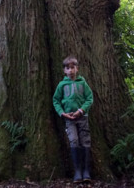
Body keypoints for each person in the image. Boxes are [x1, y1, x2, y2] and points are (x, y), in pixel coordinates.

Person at [52, 55, 93, 183]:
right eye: (67, 68)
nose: (70, 70)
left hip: (82, 117)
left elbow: (89, 98)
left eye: (72, 67)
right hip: (69, 119)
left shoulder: (82, 82)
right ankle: (77, 171)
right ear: (64, 71)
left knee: (85, 141)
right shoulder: (62, 85)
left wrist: (81, 110)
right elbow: (56, 100)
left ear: (77, 69)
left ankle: (86, 171)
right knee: (74, 141)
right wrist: (62, 113)